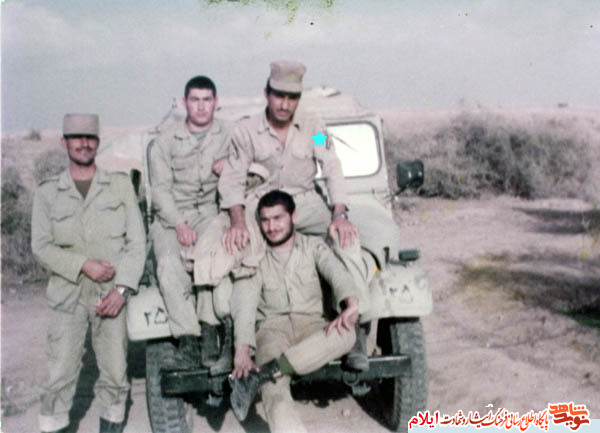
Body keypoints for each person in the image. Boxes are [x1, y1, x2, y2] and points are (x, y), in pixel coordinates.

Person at [216, 59, 370, 369]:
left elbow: (331, 163)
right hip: (263, 207)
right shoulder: (247, 131)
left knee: (347, 241)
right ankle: (234, 336)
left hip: (304, 203)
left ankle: (355, 324)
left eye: (292, 97)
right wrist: (237, 221)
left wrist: (339, 213)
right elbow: (233, 177)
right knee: (237, 252)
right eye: (279, 96)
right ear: (267, 93)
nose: (285, 105)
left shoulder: (314, 128)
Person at [32, 113, 146, 433]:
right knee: (59, 376)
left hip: (110, 294)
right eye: (76, 138)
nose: (84, 144)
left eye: (90, 138)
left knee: (115, 375)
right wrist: (83, 264)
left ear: (98, 142)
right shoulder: (47, 193)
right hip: (67, 294)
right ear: (64, 142)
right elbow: (40, 246)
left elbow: (137, 244)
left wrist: (122, 290)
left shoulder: (119, 186)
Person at [229, 190, 360, 432]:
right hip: (272, 331)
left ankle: (269, 371)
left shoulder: (313, 246)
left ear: (294, 217)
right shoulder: (255, 257)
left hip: (314, 326)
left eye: (278, 218)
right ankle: (273, 380)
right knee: (275, 395)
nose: (271, 227)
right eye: (265, 220)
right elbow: (245, 303)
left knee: (347, 332)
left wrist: (350, 303)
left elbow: (336, 272)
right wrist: (242, 350)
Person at [149, 75, 234, 372]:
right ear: (185, 103)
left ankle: (210, 330)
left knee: (213, 257)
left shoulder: (229, 133)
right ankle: (188, 338)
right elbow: (160, 191)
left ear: (216, 102)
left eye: (207, 100)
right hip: (172, 215)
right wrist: (179, 223)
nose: (201, 106)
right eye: (195, 100)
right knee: (168, 264)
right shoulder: (165, 141)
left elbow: (257, 154)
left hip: (211, 212)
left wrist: (232, 166)